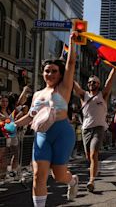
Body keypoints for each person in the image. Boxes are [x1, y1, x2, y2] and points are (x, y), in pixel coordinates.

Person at [15, 32, 79, 206]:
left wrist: (72, 41)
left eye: (54, 71)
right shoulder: (37, 94)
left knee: (58, 176)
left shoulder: (64, 89)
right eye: (47, 71)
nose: (50, 74)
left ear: (60, 74)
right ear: (42, 73)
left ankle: (72, 181)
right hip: (42, 135)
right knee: (38, 176)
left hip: (62, 134)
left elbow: (71, 63)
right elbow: (30, 117)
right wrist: (13, 125)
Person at [73, 68, 116, 192]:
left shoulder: (103, 95)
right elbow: (74, 83)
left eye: (95, 82)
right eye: (90, 82)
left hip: (99, 128)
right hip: (86, 129)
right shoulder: (83, 95)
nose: (92, 84)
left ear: (99, 85)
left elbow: (109, 81)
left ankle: (91, 181)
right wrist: (67, 69)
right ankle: (95, 167)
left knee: (93, 154)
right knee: (89, 156)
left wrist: (114, 67)